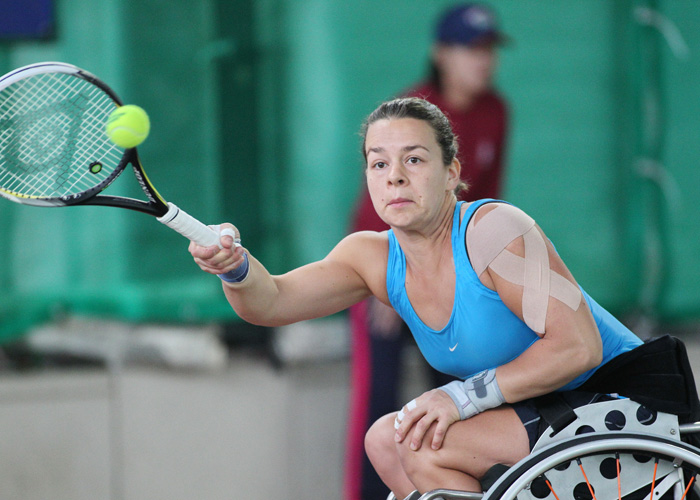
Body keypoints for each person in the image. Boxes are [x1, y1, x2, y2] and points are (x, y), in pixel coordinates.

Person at [188, 97, 652, 499]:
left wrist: (460, 398)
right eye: (379, 162)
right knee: (385, 441)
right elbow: (271, 302)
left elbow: (579, 348)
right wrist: (236, 268)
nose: (395, 178)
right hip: (543, 415)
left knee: (420, 443)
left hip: (628, 406)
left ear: (451, 173)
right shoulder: (370, 257)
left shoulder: (493, 231)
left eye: (414, 160)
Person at [347, 4, 509, 497]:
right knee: (379, 400)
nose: (481, 60)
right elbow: (388, 203)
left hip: (452, 275)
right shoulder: (413, 111)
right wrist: (387, 287)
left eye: (488, 50)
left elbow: (485, 205)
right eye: (469, 49)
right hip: (392, 272)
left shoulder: (496, 111)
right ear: (441, 54)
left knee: (458, 396)